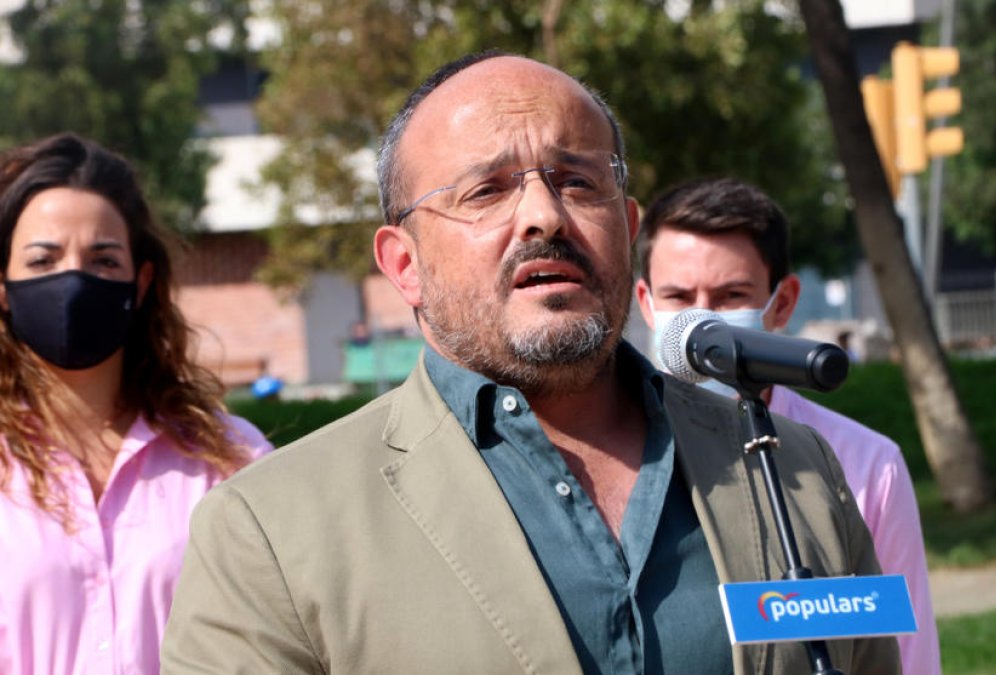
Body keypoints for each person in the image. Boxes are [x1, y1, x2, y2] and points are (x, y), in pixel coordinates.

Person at [161, 52, 899, 674]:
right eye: (486, 190)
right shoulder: (268, 529)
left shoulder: (793, 471)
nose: (544, 215)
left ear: (628, 228)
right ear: (404, 263)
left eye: (578, 181)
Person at [634, 177, 940, 675]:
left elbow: (906, 654)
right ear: (646, 303)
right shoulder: (616, 449)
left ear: (783, 302)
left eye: (731, 295)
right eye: (679, 297)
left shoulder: (867, 464)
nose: (700, 324)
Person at [0, 133, 273, 674]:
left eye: (102, 259)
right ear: (3, 286)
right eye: (42, 259)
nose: (73, 279)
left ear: (141, 281)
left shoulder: (229, 461)